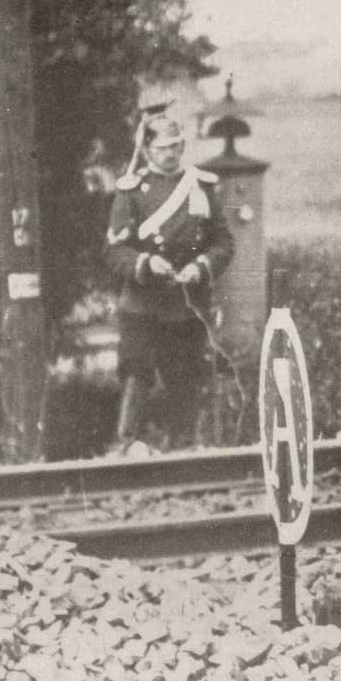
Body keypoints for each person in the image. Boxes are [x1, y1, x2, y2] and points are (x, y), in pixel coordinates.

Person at [105, 112, 235, 450]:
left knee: (185, 379)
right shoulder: (131, 190)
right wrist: (146, 263)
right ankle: (126, 445)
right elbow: (115, 251)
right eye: (163, 147)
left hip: (186, 302)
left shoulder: (200, 185)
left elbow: (223, 242)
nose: (171, 154)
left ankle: (182, 449)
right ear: (148, 149)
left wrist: (201, 266)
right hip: (142, 304)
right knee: (137, 372)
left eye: (176, 146)